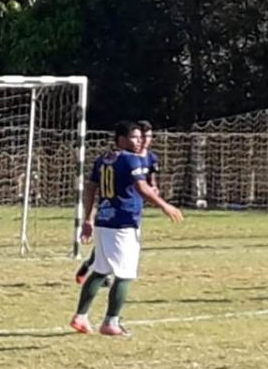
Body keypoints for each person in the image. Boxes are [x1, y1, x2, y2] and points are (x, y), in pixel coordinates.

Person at [69, 121, 183, 337]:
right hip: (123, 223)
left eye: (141, 137)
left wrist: (88, 218)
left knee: (100, 270)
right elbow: (141, 187)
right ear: (121, 139)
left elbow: (91, 187)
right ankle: (111, 322)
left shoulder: (103, 159)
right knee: (125, 274)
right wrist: (164, 205)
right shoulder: (130, 159)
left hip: (104, 221)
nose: (139, 141)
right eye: (134, 137)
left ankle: (81, 316)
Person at [74, 119, 160, 285]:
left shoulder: (150, 158)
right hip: (117, 211)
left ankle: (97, 270)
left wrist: (153, 188)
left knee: (112, 246)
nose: (144, 140)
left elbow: (150, 180)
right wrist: (164, 205)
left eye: (148, 136)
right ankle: (97, 269)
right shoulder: (123, 158)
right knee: (117, 256)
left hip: (132, 210)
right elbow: (94, 185)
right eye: (141, 136)